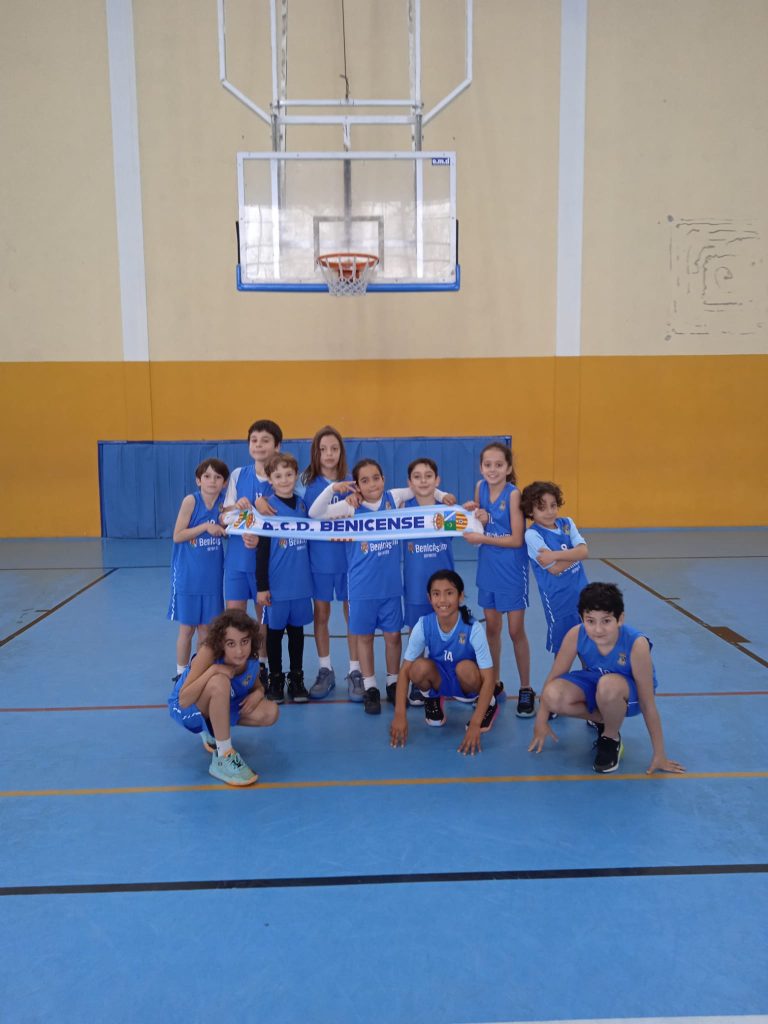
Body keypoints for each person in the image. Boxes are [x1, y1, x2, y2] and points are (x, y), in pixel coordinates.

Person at [527, 582, 686, 775]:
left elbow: (647, 702)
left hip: (628, 695)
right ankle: (605, 718)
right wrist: (541, 720)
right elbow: (554, 677)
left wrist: (659, 754)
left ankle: (610, 738)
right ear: (582, 618)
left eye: (606, 621)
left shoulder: (636, 644)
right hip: (597, 684)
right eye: (590, 621)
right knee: (552, 694)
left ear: (620, 619)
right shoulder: (576, 634)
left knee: (608, 685)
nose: (598, 629)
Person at [308, 459, 404, 715]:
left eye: (376, 478)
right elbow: (315, 513)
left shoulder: (394, 499)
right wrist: (333, 489)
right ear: (357, 486)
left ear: (384, 479)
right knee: (365, 637)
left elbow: (420, 488)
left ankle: (393, 682)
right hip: (361, 588)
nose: (372, 484)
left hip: (391, 587)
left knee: (393, 637)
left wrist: (441, 495)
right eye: (364, 480)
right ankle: (370, 686)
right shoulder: (351, 507)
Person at [390, 570, 501, 755]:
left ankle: (489, 703)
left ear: (460, 596)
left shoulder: (473, 628)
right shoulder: (423, 625)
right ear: (429, 598)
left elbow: (489, 678)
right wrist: (400, 715)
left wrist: (475, 724)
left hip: (467, 684)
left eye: (449, 593)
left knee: (464, 667)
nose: (442, 600)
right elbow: (404, 670)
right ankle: (432, 699)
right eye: (436, 594)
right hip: (440, 679)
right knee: (417, 668)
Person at [168, 609, 279, 786]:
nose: (239, 651)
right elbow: (184, 700)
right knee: (219, 681)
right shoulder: (208, 653)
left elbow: (258, 686)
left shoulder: (250, 659)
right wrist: (213, 670)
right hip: (187, 708)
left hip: (222, 700)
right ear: (221, 643)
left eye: (244, 641)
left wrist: (258, 694)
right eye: (231, 643)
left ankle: (213, 729)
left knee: (271, 711)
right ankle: (223, 756)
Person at [463, 442, 532, 717]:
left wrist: (482, 536)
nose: (493, 469)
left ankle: (526, 688)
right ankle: (494, 684)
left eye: (499, 465)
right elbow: (480, 521)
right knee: (492, 629)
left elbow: (516, 539)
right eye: (488, 465)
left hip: (512, 570)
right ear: (481, 467)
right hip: (488, 568)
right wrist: (473, 514)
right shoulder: (480, 487)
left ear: (508, 468)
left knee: (515, 631)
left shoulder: (514, 495)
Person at [300, 426, 360, 700]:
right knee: (321, 615)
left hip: (348, 560)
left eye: (334, 448)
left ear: (341, 451)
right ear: (316, 452)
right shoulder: (307, 483)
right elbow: (308, 516)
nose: (328, 454)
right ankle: (326, 669)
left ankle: (355, 670)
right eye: (323, 449)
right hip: (319, 561)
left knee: (352, 615)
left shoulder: (352, 482)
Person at [220, 418, 282, 684]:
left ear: (277, 446)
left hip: (264, 565)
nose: (259, 445)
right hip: (236, 562)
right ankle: (236, 669)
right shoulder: (238, 475)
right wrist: (237, 508)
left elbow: (287, 523)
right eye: (254, 440)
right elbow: (224, 517)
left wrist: (262, 535)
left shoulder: (282, 479)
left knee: (262, 620)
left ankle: (262, 666)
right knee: (234, 620)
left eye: (265, 440)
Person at [256, 453, 312, 704]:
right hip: (277, 585)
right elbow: (261, 550)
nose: (284, 479)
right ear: (270, 479)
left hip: (300, 583)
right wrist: (262, 586)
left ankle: (296, 677)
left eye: (289, 474)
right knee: (275, 634)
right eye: (278, 476)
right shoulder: (267, 507)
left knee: (297, 633)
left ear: (296, 475)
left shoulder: (303, 505)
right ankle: (276, 678)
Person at [167, 458, 229, 679]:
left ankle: (198, 670)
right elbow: (177, 536)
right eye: (207, 476)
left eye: (218, 477)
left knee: (206, 629)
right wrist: (205, 526)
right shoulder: (191, 501)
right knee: (187, 629)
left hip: (212, 579)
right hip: (188, 577)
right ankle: (180, 674)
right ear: (198, 480)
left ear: (224, 483)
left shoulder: (224, 504)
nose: (212, 481)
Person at [401, 458, 456, 706]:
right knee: (416, 634)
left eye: (428, 476)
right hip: (415, 586)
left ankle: (445, 678)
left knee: (446, 631)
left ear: (437, 480)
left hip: (445, 589)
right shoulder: (402, 511)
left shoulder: (449, 512)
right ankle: (417, 680)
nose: (423, 481)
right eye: (417, 476)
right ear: (409, 482)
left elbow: (472, 526)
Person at [521, 481, 589, 655]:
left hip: (582, 593)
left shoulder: (567, 523)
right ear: (530, 511)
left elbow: (585, 551)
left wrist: (554, 554)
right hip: (558, 600)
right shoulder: (532, 534)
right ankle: (560, 674)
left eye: (553, 505)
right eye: (542, 508)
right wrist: (574, 554)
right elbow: (555, 569)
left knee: (586, 644)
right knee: (564, 648)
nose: (550, 512)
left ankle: (588, 673)